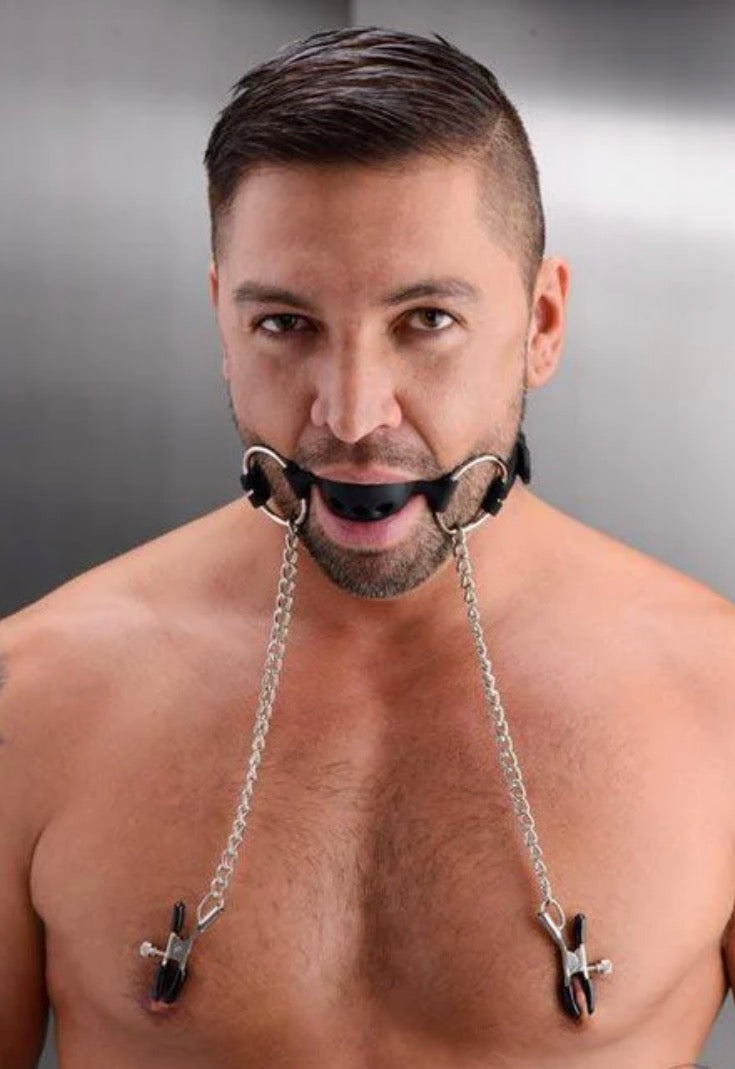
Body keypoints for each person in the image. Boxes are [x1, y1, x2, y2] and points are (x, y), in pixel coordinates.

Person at [1, 25, 734, 1069]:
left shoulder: (717, 701)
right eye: (285, 324)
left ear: (540, 322)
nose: (350, 415)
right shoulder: (32, 696)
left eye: (425, 319)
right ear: (222, 324)